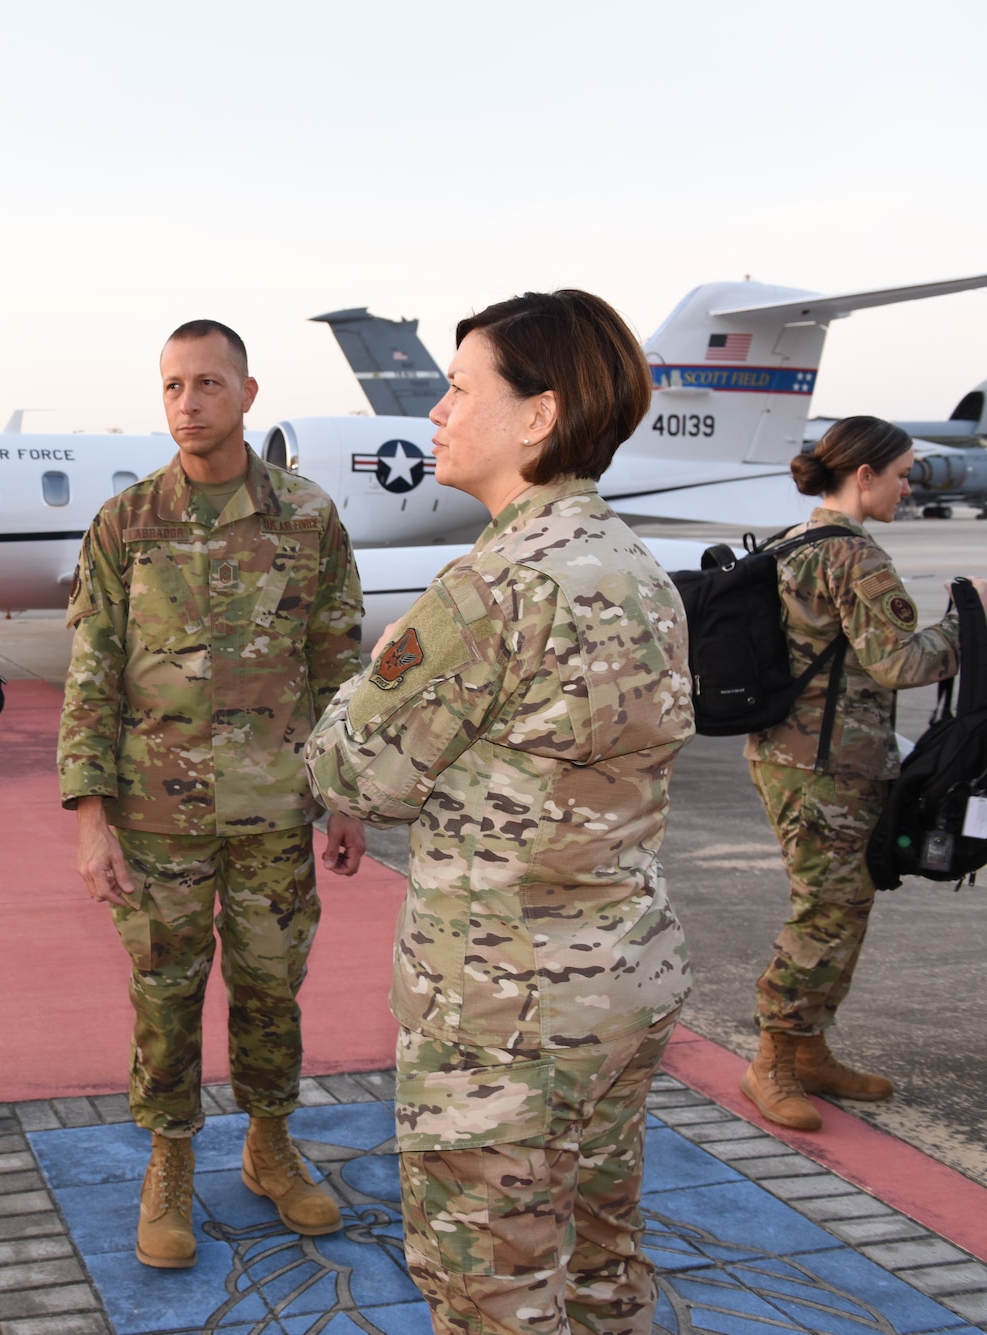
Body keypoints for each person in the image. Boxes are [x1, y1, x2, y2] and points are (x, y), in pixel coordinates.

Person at [305, 290, 693, 1335]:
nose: (433, 410)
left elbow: (353, 774)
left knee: (491, 1298)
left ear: (537, 415)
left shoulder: (491, 590)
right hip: (616, 987)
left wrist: (349, 692)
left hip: (502, 1021)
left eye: (457, 387)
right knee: (601, 1273)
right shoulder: (637, 572)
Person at [58, 319, 366, 1270]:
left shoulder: (308, 518)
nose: (187, 404)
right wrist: (91, 817)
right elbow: (92, 673)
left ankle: (270, 1148)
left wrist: (347, 793)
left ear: (247, 392)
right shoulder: (127, 523)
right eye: (172, 387)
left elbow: (337, 662)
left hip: (277, 808)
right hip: (157, 817)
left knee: (273, 988)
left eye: (207, 384)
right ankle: (171, 1165)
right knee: (165, 993)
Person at [741, 415, 971, 1131]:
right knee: (827, 910)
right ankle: (772, 1059)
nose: (910, 487)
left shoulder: (793, 541)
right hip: (827, 763)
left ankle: (806, 1046)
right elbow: (903, 661)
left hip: (797, 754)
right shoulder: (854, 557)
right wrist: (972, 617)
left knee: (844, 903)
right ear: (863, 475)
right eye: (902, 474)